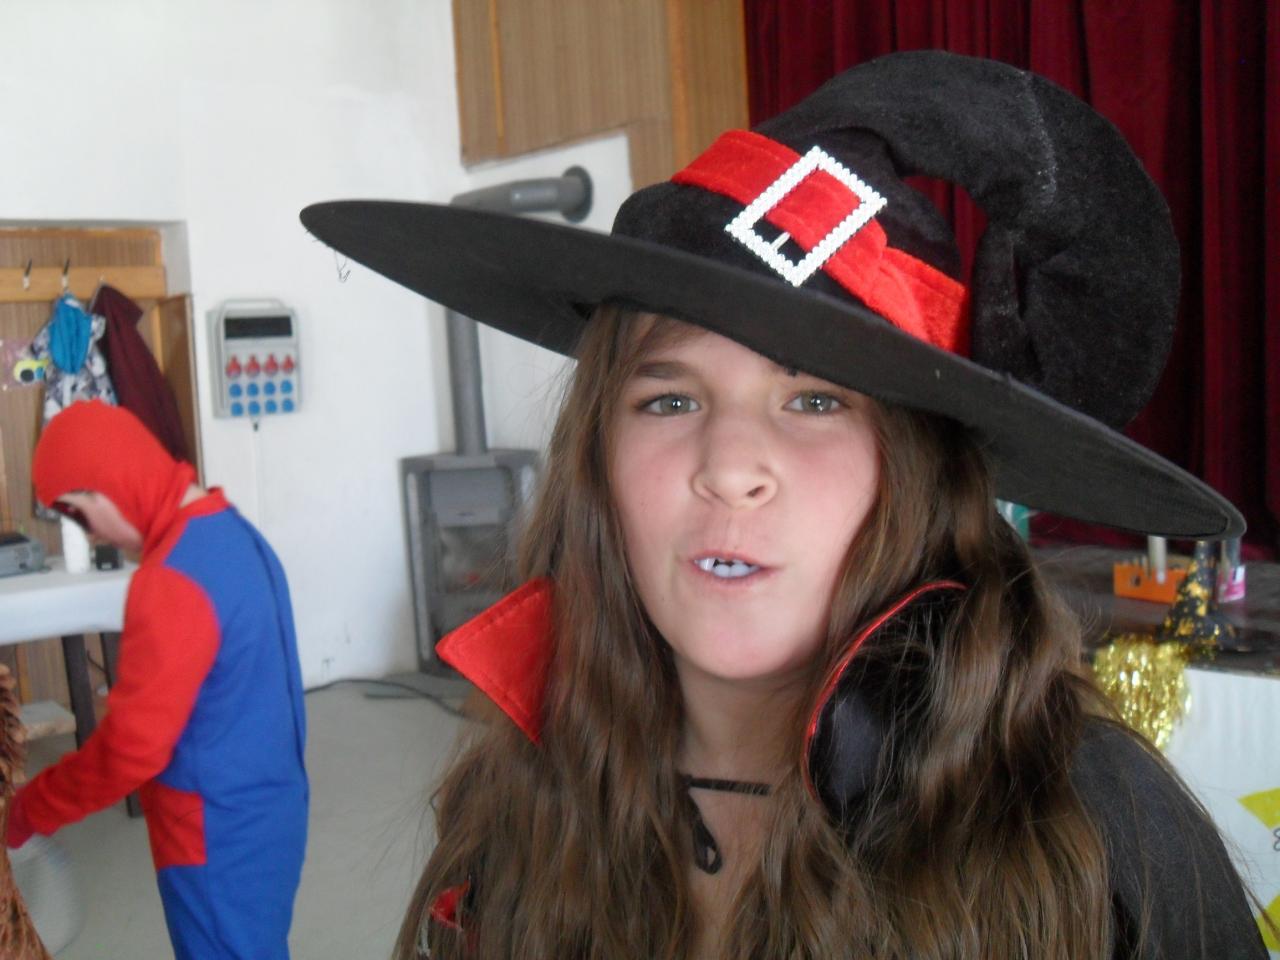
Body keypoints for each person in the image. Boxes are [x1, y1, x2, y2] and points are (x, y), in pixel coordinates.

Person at [302, 51, 1269, 959]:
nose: (730, 469)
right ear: (598, 458)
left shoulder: (1090, 829)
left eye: (815, 402)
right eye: (669, 400)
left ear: (916, 470)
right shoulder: (514, 803)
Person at [6, 400, 309, 960]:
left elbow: (129, 752)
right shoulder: (236, 532)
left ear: (105, 487)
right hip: (274, 810)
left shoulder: (169, 578)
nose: (93, 535)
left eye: (80, 516)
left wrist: (27, 810)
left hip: (211, 836)